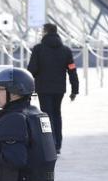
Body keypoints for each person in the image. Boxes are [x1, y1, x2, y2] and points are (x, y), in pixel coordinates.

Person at [27, 23, 79, 155]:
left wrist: (26, 85)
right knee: (57, 114)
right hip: (59, 89)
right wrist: (75, 89)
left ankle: (50, 143)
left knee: (46, 115)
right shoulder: (66, 50)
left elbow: (32, 69)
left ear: (45, 32)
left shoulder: (38, 49)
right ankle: (58, 144)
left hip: (43, 88)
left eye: (42, 31)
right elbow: (72, 70)